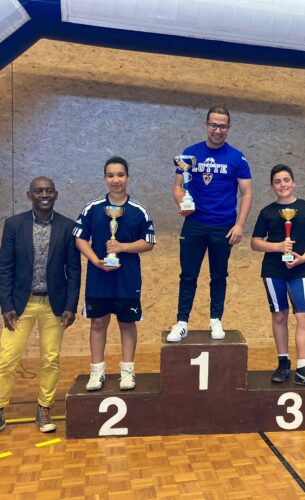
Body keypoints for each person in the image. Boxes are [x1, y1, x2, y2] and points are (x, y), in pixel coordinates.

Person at [0, 177, 81, 433]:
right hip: (19, 305)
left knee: (50, 359)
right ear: (29, 195)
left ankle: (44, 408)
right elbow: (5, 268)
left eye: (48, 191)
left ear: (55, 195)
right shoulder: (14, 225)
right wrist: (6, 304)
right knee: (6, 358)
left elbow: (74, 271)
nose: (44, 194)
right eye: (38, 191)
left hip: (53, 305)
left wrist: (70, 306)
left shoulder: (68, 227)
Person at [167, 106, 252, 342]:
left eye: (222, 126)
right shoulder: (190, 153)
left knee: (219, 275)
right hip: (194, 224)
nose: (217, 130)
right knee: (188, 275)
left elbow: (246, 193)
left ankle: (216, 320)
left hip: (223, 227)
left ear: (228, 128)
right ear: (206, 125)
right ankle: (182, 322)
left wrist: (240, 225)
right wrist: (182, 203)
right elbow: (178, 186)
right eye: (214, 125)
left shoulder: (237, 158)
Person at [74, 157, 155, 391]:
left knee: (127, 323)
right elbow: (80, 238)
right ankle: (96, 372)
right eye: (110, 175)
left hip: (127, 278)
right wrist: (95, 261)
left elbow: (149, 242)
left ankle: (127, 371)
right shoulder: (92, 208)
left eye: (120, 175)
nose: (115, 180)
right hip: (99, 277)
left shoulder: (139, 211)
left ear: (128, 178)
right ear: (104, 179)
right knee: (98, 322)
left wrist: (123, 247)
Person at [251, 164, 305, 388]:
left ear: (294, 183)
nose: (282, 184)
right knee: (279, 315)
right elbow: (255, 243)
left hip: (298, 270)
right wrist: (277, 246)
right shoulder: (267, 212)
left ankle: (303, 368)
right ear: (272, 186)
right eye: (277, 181)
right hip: (272, 271)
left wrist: (303, 258)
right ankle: (283, 363)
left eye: (286, 180)